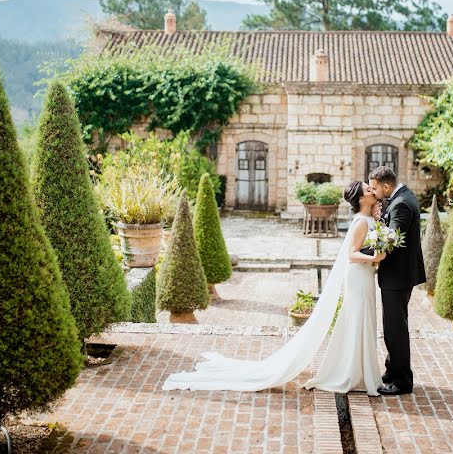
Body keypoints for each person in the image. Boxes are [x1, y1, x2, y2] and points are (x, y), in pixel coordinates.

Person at [162, 180, 385, 395]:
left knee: (361, 321)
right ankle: (353, 373)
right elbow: (351, 255)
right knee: (358, 320)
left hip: (364, 277)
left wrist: (379, 228)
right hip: (358, 277)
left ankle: (360, 372)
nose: (373, 191)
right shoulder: (361, 222)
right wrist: (376, 255)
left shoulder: (368, 218)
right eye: (369, 189)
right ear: (361, 198)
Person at [368, 166, 426, 395]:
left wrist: (367, 251)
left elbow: (390, 240)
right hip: (401, 274)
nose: (373, 192)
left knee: (395, 329)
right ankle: (392, 371)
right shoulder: (404, 196)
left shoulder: (401, 203)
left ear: (386, 186)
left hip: (398, 275)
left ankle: (402, 382)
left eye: (374, 188)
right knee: (393, 326)